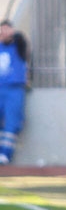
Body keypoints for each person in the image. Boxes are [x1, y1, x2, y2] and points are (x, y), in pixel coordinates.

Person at [0, 20, 29, 164]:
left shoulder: (18, 45)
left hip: (14, 89)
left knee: (12, 122)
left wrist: (9, 34)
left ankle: (5, 154)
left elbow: (20, 38)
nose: (3, 33)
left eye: (6, 30)